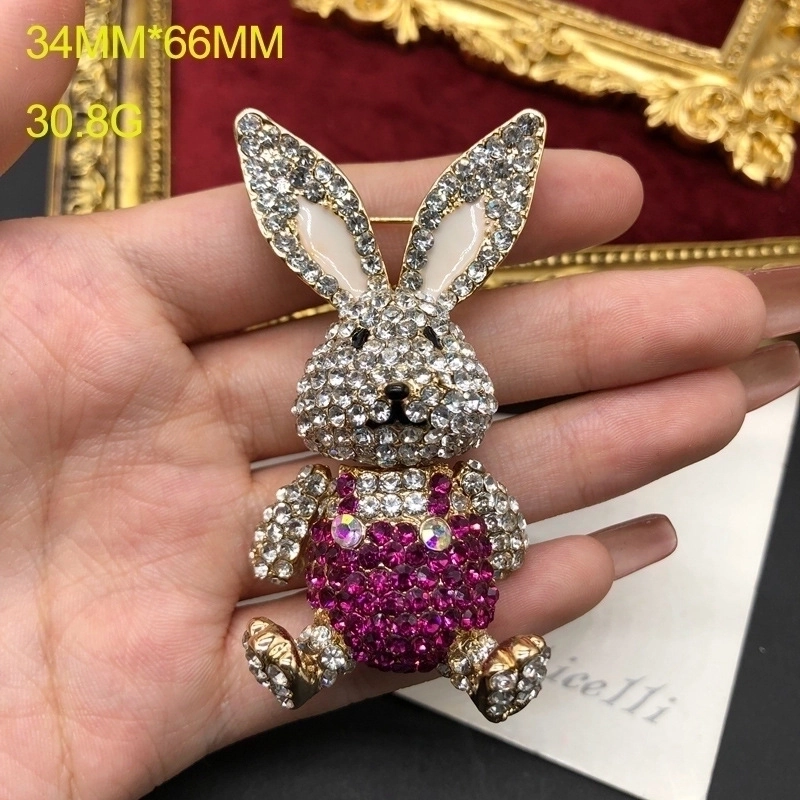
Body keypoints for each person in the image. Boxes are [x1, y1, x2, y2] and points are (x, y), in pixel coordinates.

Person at [2, 1, 799, 797]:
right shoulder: (330, 480)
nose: (394, 388)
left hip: (447, 597)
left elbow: (498, 526)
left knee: (468, 627)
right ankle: (314, 661)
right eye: (363, 357)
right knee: (331, 629)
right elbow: (294, 523)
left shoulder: (456, 476)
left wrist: (500, 532)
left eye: (421, 361)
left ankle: (476, 664)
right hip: (348, 605)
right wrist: (282, 538)